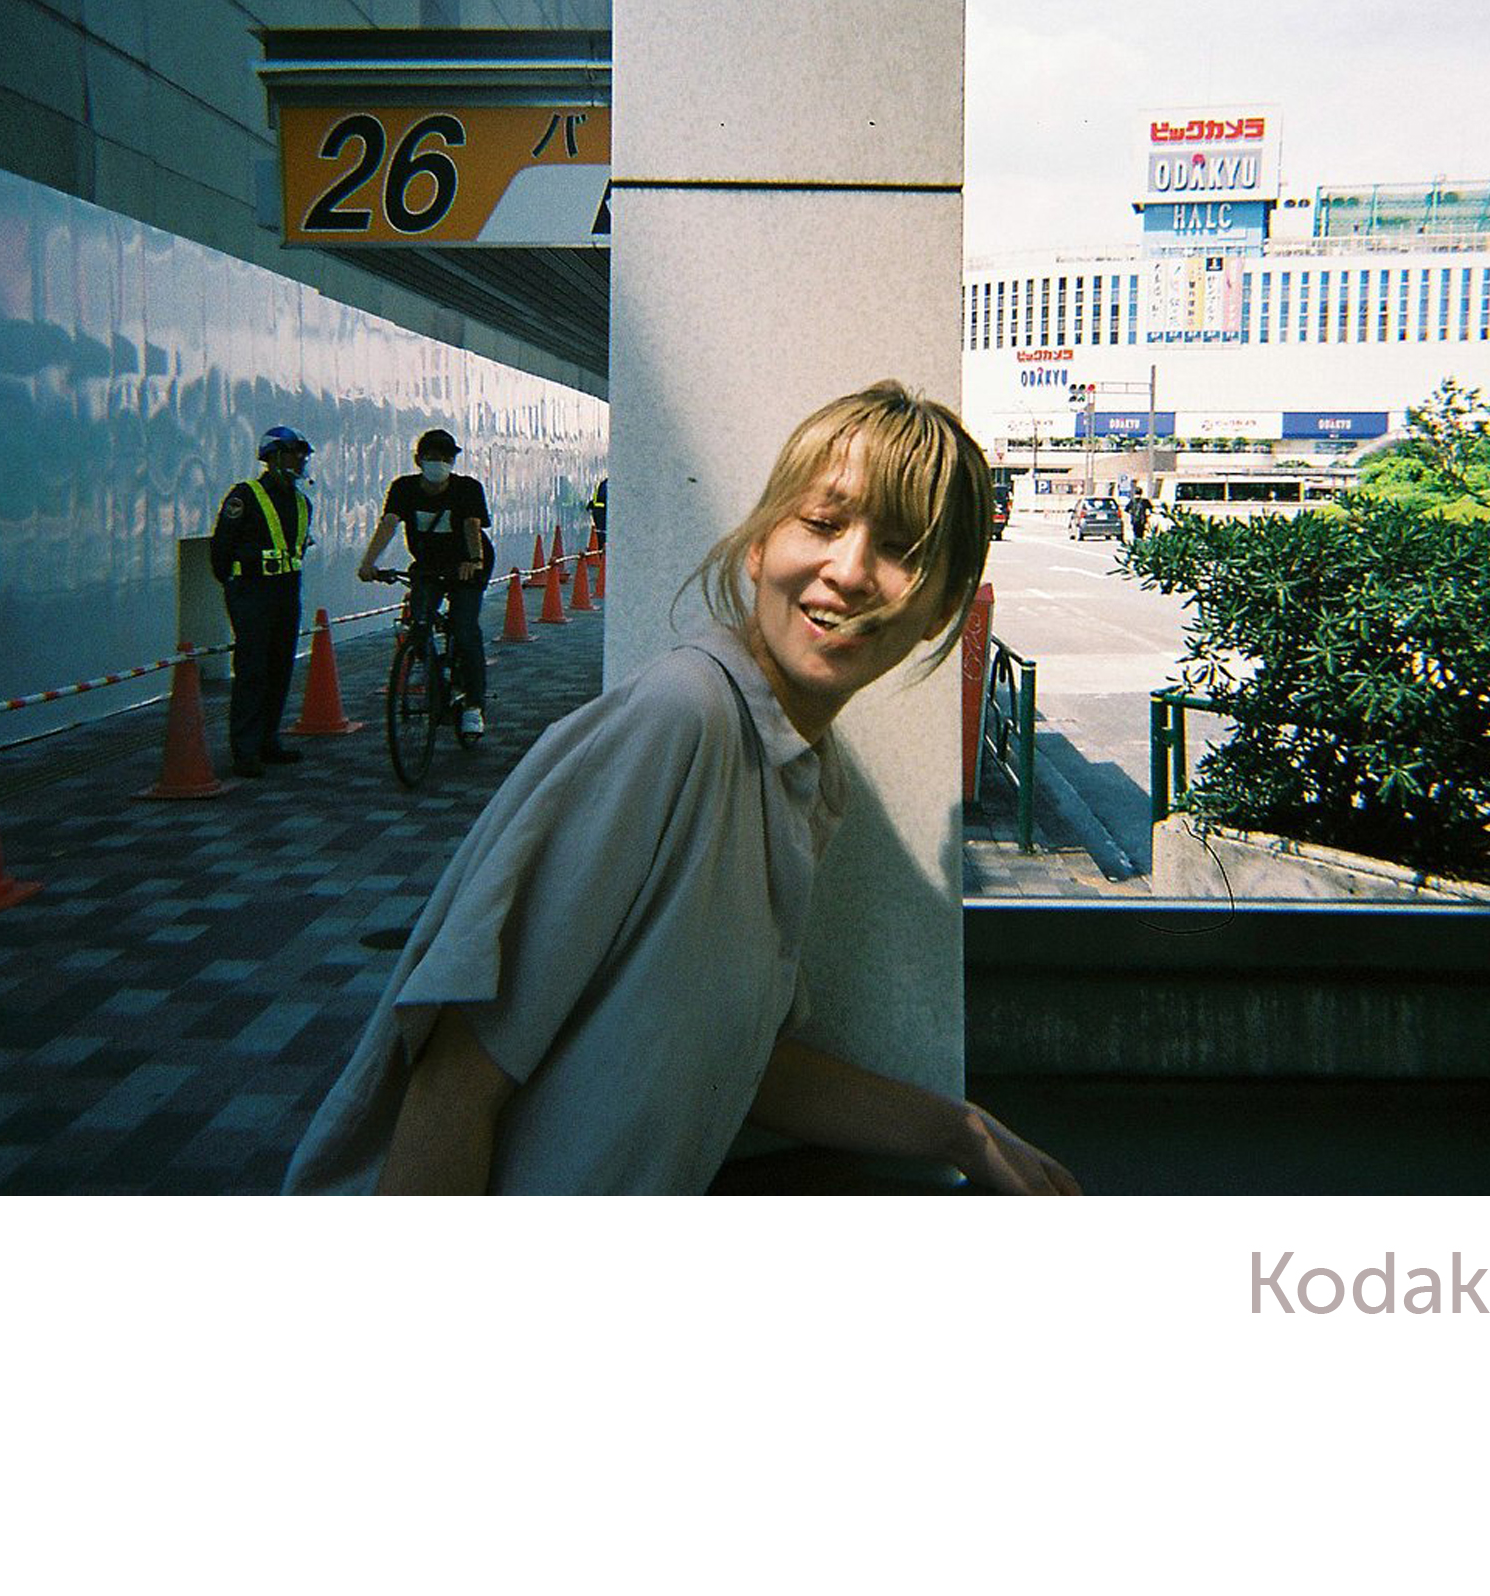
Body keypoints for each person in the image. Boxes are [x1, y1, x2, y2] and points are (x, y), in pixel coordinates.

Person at [284, 381, 1081, 1197]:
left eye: (904, 549)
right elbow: (455, 1080)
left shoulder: (802, 769)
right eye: (822, 523)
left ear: (944, 607)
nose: (848, 572)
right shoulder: (683, 720)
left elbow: (733, 1063)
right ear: (760, 546)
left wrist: (959, 1131)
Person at [357, 428, 494, 740]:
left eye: (446, 457)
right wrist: (369, 563)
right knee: (418, 624)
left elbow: (472, 525)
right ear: (418, 460)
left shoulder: (467, 489)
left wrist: (473, 561)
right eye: (432, 456)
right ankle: (433, 670)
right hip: (429, 564)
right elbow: (389, 523)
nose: (439, 463)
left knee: (465, 628)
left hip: (468, 562)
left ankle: (474, 706)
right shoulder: (404, 488)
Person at [210, 426, 313, 778]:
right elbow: (222, 548)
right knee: (252, 669)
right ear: (274, 456)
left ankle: (269, 740)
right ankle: (245, 750)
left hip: (287, 591)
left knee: (280, 667)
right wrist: (235, 584)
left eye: (302, 454)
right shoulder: (245, 496)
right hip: (252, 592)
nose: (300, 460)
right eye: (294, 453)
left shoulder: (302, 502)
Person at [586, 474, 608, 550]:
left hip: (597, 512)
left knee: (600, 534)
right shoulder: (608, 485)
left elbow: (597, 498)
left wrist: (591, 505)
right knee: (602, 534)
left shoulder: (603, 484)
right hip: (602, 513)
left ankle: (599, 548)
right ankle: (600, 549)